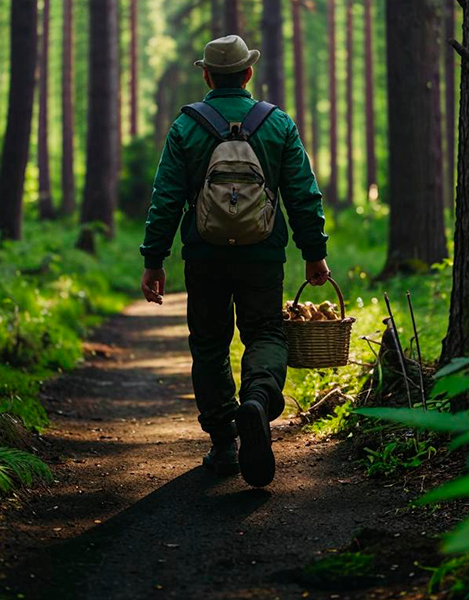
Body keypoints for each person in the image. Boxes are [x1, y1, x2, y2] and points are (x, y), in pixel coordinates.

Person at [139, 35, 329, 488]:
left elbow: (165, 197)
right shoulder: (276, 123)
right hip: (262, 254)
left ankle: (224, 444)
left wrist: (154, 259)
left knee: (208, 343)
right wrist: (314, 253)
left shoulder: (187, 126)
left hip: (203, 254)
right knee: (264, 331)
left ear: (207, 75)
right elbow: (302, 192)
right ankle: (259, 401)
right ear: (247, 74)